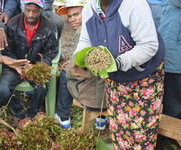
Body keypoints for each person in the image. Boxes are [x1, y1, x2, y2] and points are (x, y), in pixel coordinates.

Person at [74, 0, 165, 149]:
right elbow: (86, 39)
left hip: (144, 77)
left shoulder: (134, 5)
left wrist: (118, 63)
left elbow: (148, 45)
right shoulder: (90, 8)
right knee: (118, 124)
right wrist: (82, 56)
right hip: (115, 77)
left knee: (140, 130)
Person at [2, 0, 59, 119]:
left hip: (36, 65)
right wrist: (19, 65)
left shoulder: (50, 26)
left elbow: (52, 52)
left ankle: (32, 113)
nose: (31, 15)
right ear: (23, 7)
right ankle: (18, 112)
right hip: (15, 64)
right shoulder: (13, 23)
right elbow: (7, 49)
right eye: (28, 10)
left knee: (42, 86)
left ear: (41, 10)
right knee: (5, 86)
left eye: (35, 11)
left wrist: (39, 66)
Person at [53, 0, 106, 129]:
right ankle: (101, 118)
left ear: (87, 11)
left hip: (93, 89)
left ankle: (63, 116)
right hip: (105, 84)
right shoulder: (101, 25)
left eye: (76, 14)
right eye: (70, 16)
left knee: (65, 75)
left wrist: (69, 66)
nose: (72, 19)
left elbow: (79, 68)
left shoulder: (84, 31)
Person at [156, 0, 181, 149]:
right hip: (168, 62)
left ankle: (169, 139)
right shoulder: (168, 5)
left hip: (172, 64)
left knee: (172, 105)